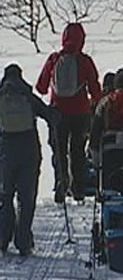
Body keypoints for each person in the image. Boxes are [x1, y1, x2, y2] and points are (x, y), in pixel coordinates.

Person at [36, 22, 102, 203]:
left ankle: (61, 182)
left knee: (59, 150)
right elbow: (95, 89)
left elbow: (40, 87)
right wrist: (94, 101)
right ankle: (78, 188)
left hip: (57, 113)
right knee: (78, 151)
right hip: (80, 113)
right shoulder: (84, 61)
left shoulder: (54, 59)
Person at [0, 64, 58, 256]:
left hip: (4, 152)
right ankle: (23, 241)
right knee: (26, 197)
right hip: (29, 151)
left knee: (5, 196)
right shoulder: (28, 97)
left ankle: (2, 237)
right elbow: (49, 115)